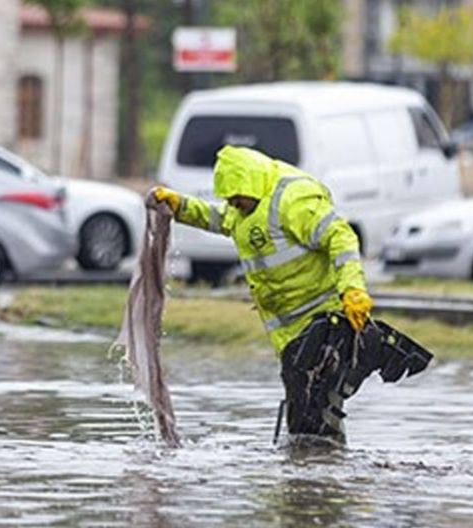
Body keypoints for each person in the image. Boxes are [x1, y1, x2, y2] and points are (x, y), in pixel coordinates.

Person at [150, 145, 430, 445]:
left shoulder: (292, 201)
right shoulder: (243, 208)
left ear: (250, 184)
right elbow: (216, 218)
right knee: (310, 407)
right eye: (229, 200)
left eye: (236, 198)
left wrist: (353, 290)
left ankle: (316, 475)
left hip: (324, 320)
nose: (233, 204)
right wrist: (179, 206)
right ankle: (318, 472)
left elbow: (341, 236)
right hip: (288, 333)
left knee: (311, 407)